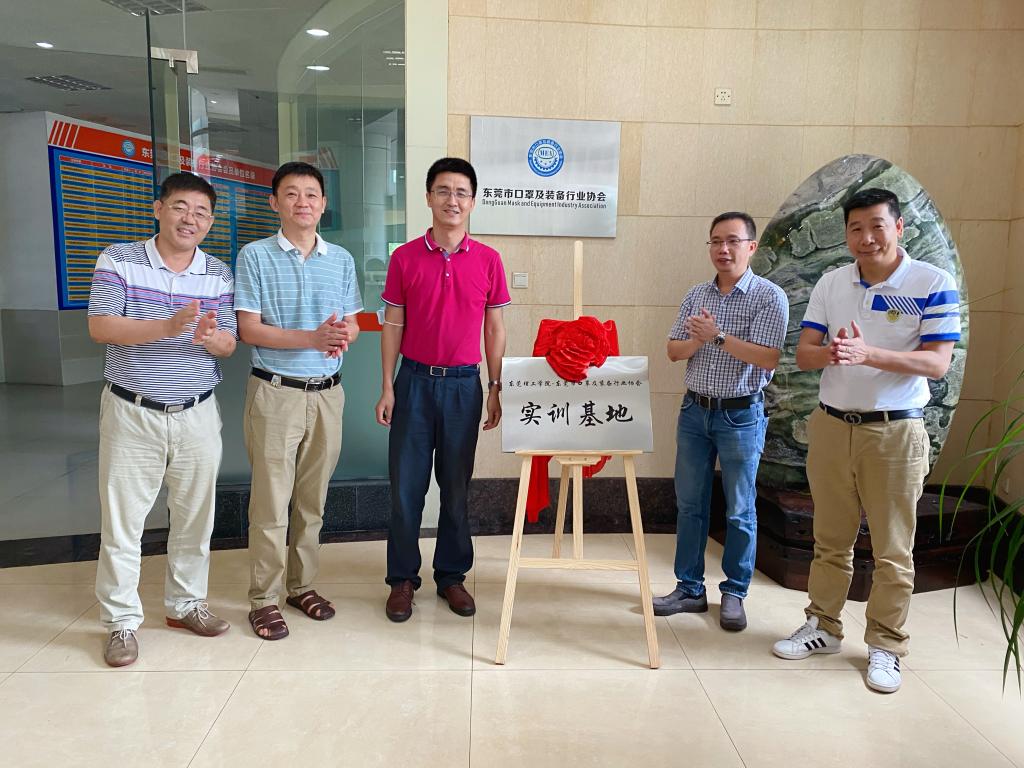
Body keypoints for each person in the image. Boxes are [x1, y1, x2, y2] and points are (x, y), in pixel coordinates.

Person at [771, 188, 960, 693]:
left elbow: (937, 363)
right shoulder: (833, 282)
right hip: (833, 426)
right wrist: (834, 352)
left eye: (877, 225)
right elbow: (805, 354)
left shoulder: (931, 282)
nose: (866, 237)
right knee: (830, 540)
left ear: (898, 227)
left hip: (894, 432)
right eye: (856, 228)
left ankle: (886, 645)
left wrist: (868, 353)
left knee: (893, 548)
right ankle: (823, 626)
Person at [88, 172, 237, 667]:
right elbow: (100, 327)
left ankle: (186, 604)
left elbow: (228, 344)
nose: (190, 219)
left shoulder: (217, 273)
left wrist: (211, 338)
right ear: (158, 209)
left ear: (210, 222)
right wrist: (169, 326)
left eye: (201, 213)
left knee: (195, 518)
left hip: (197, 413)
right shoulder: (119, 260)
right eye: (180, 207)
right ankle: (121, 622)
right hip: (133, 411)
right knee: (123, 522)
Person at [375, 157, 510, 622]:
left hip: (463, 387)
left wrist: (494, 387)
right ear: (429, 197)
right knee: (406, 489)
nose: (453, 200)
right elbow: (393, 324)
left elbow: (495, 328)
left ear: (473, 201)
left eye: (461, 192)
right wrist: (387, 386)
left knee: (455, 488)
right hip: (413, 383)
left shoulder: (489, 260)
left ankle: (451, 576)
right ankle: (402, 579)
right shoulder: (405, 257)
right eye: (443, 191)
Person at [235, 161, 362, 640]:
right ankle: (263, 599)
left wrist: (343, 334)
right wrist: (312, 338)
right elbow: (249, 329)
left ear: (324, 204)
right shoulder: (255, 256)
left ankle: (301, 586)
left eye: (311, 194)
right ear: (275, 202)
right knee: (271, 502)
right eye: (291, 194)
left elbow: (353, 322)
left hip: (328, 394)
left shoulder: (341, 259)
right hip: (276, 392)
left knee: (313, 501)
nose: (302, 202)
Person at [653, 212, 789, 631]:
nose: (723, 249)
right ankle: (689, 588)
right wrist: (698, 339)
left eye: (732, 241)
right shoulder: (697, 294)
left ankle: (734, 592)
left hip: (741, 414)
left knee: (740, 508)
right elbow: (673, 351)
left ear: (751, 247)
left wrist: (716, 336)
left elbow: (768, 357)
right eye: (715, 241)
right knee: (690, 504)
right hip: (695, 411)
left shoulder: (768, 296)